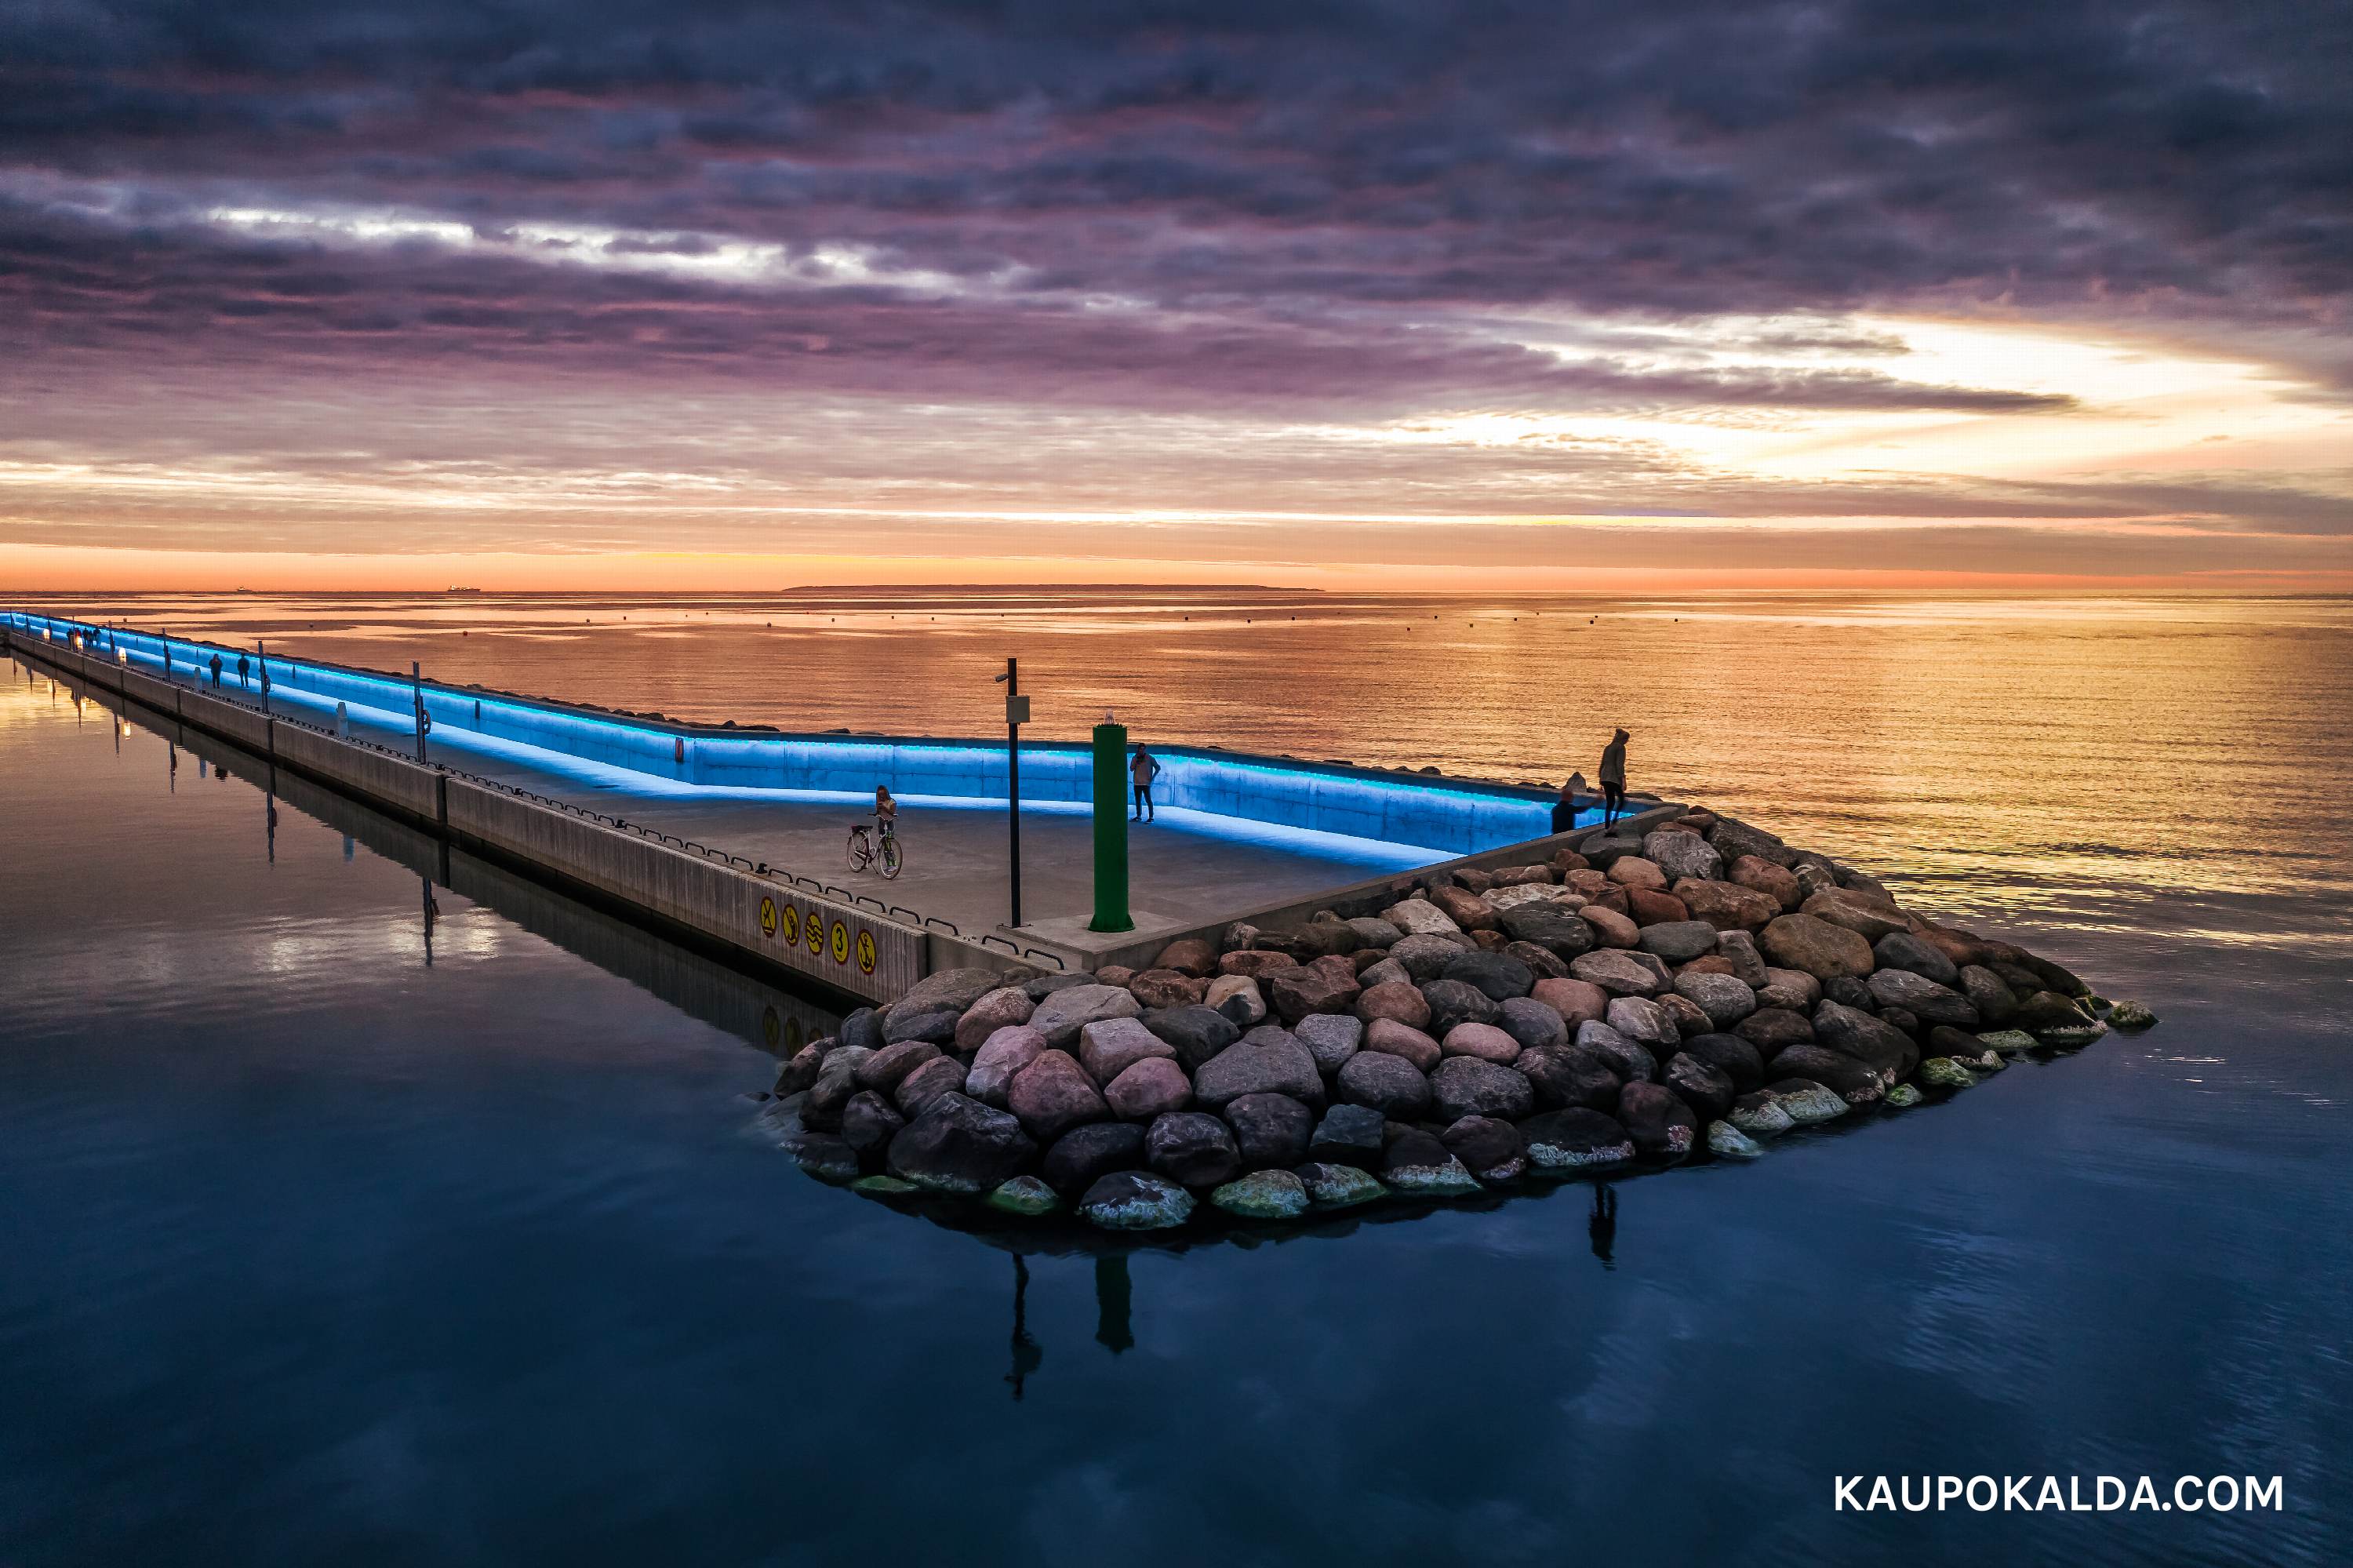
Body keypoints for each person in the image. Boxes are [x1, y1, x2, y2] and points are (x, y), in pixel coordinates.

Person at [1598, 728, 1629, 825]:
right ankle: (1614, 820)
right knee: (1622, 801)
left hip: (1604, 777)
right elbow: (1619, 765)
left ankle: (1607, 824)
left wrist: (1600, 779)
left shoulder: (1608, 747)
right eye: (1627, 739)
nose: (1627, 741)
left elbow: (1602, 763)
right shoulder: (1621, 747)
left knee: (1610, 802)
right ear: (1624, 739)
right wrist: (1623, 780)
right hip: (1613, 778)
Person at [1130, 743, 1160, 822]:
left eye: (1143, 749)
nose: (1142, 751)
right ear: (1138, 749)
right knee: (1138, 800)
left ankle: (1151, 817)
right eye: (1140, 749)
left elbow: (1158, 767)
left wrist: (1153, 777)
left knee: (1148, 800)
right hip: (1137, 782)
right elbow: (1131, 769)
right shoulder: (1135, 757)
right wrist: (1136, 760)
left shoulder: (1149, 758)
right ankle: (1139, 816)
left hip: (1146, 782)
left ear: (1145, 750)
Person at [1552, 771, 1587, 835]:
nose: (1573, 798)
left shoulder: (1555, 809)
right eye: (1572, 796)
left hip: (1556, 835)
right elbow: (1583, 809)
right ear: (1568, 797)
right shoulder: (1569, 808)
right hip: (1567, 836)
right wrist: (1595, 802)